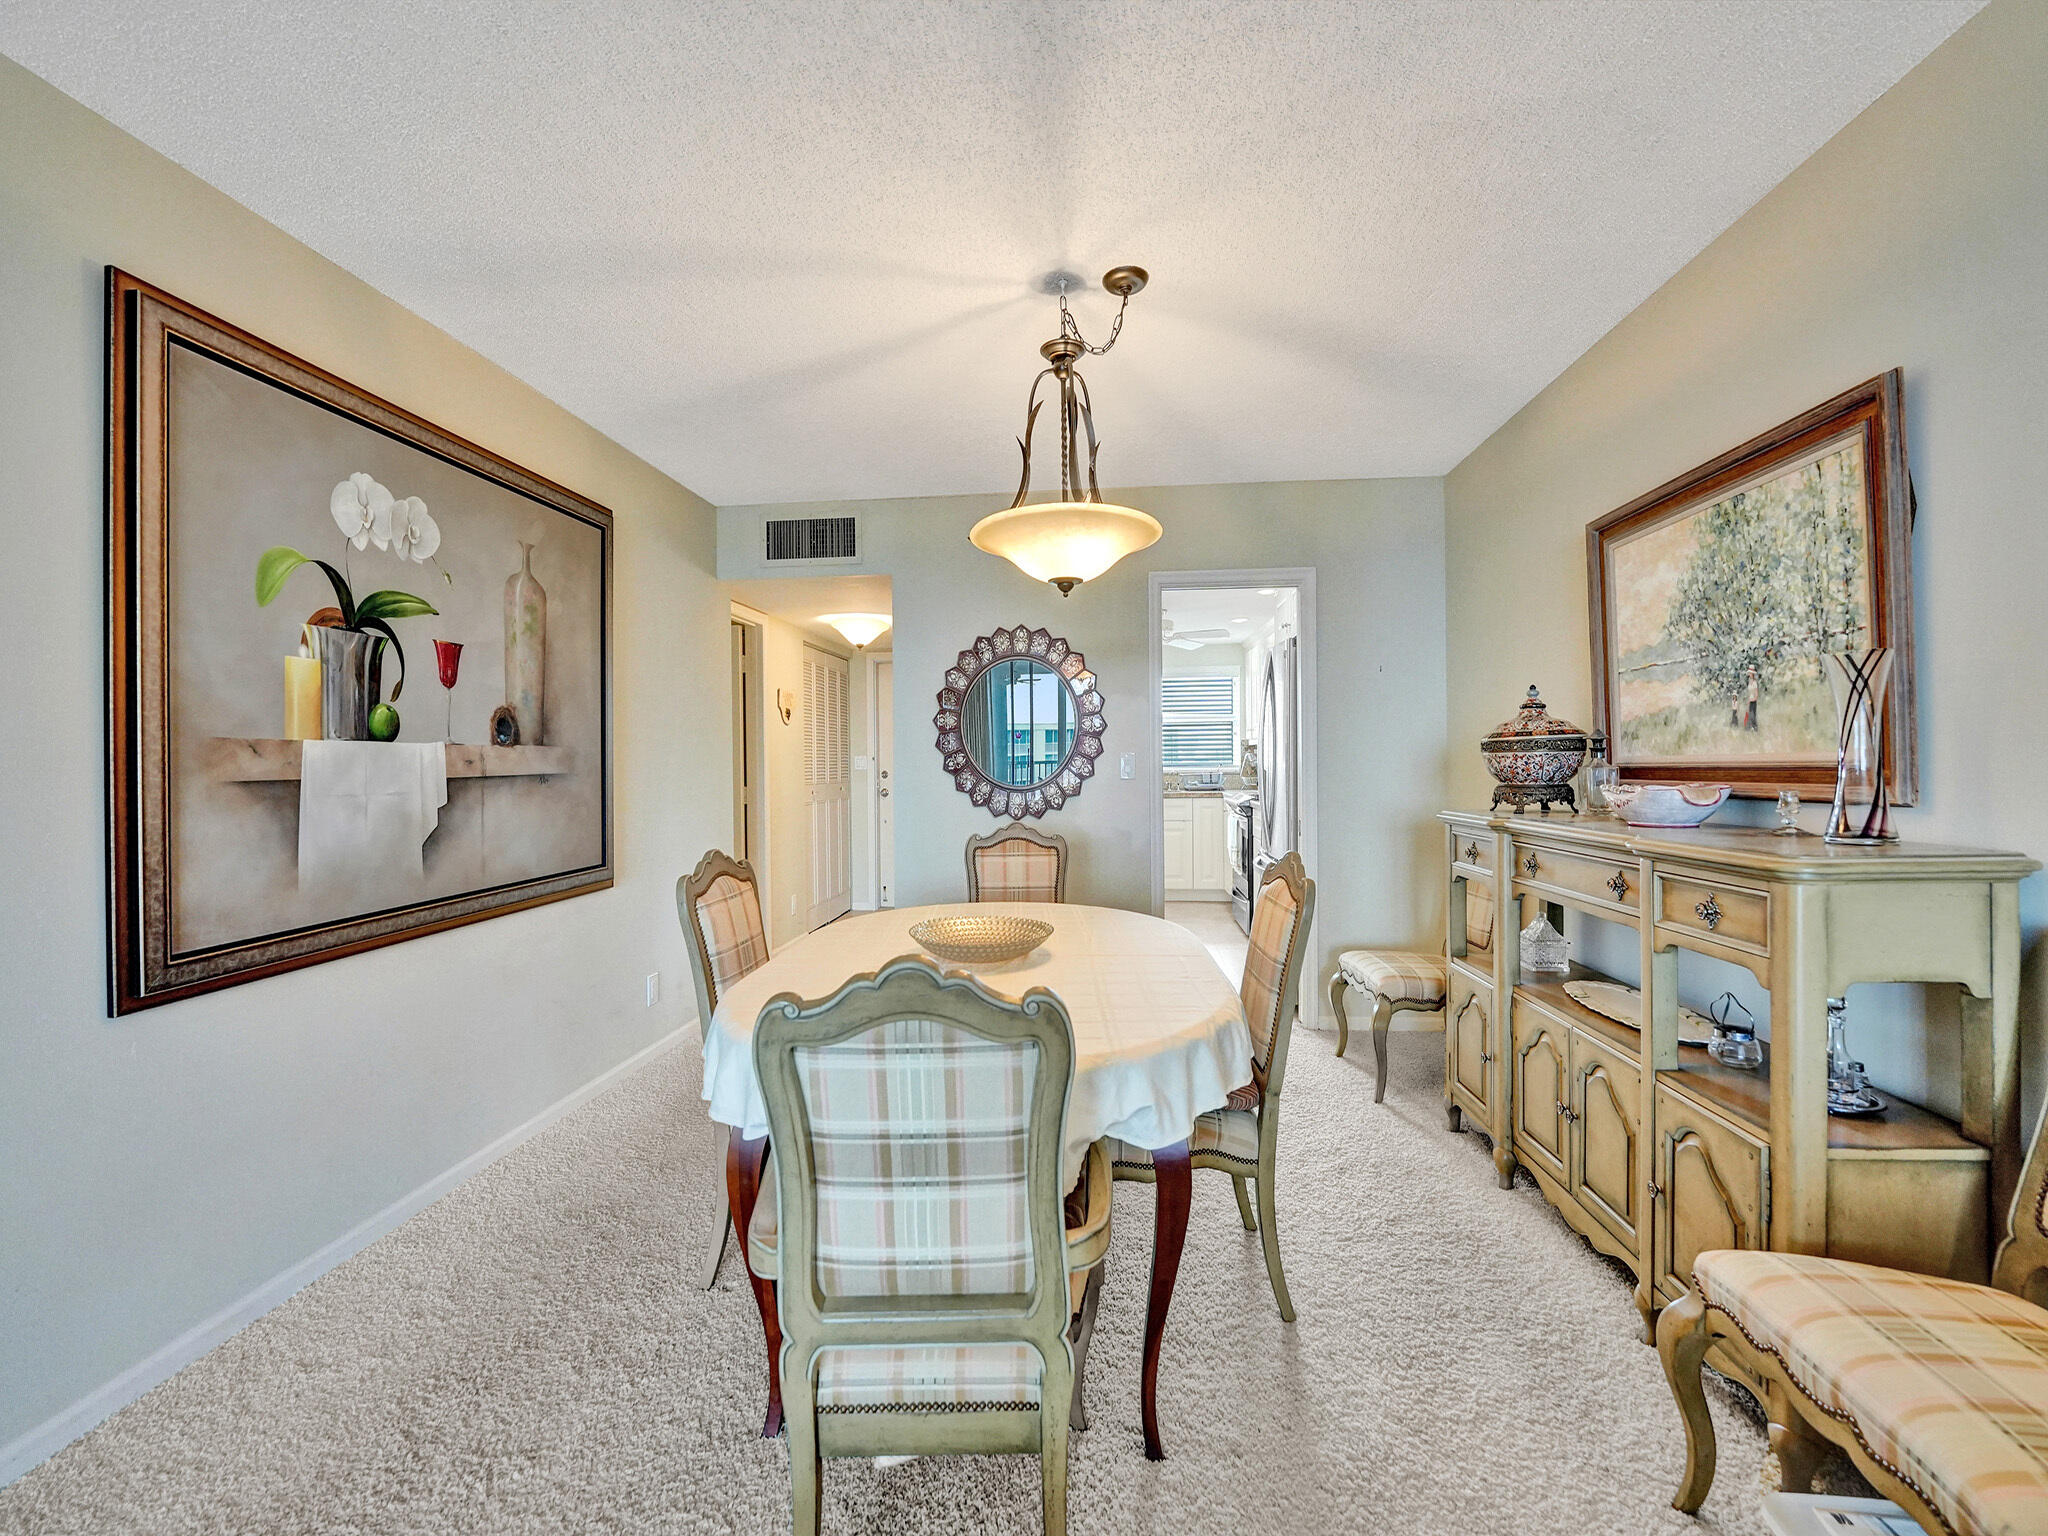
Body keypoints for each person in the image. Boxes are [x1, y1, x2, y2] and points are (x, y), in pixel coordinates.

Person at [1744, 667, 1760, 732]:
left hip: (1753, 701)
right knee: (1749, 714)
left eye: (1750, 673)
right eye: (1749, 673)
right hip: (1750, 700)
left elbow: (1756, 695)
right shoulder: (1749, 682)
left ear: (1752, 674)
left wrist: (1752, 700)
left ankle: (1755, 729)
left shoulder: (1754, 683)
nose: (1749, 674)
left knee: (1753, 715)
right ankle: (1749, 728)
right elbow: (1749, 692)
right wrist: (1748, 700)